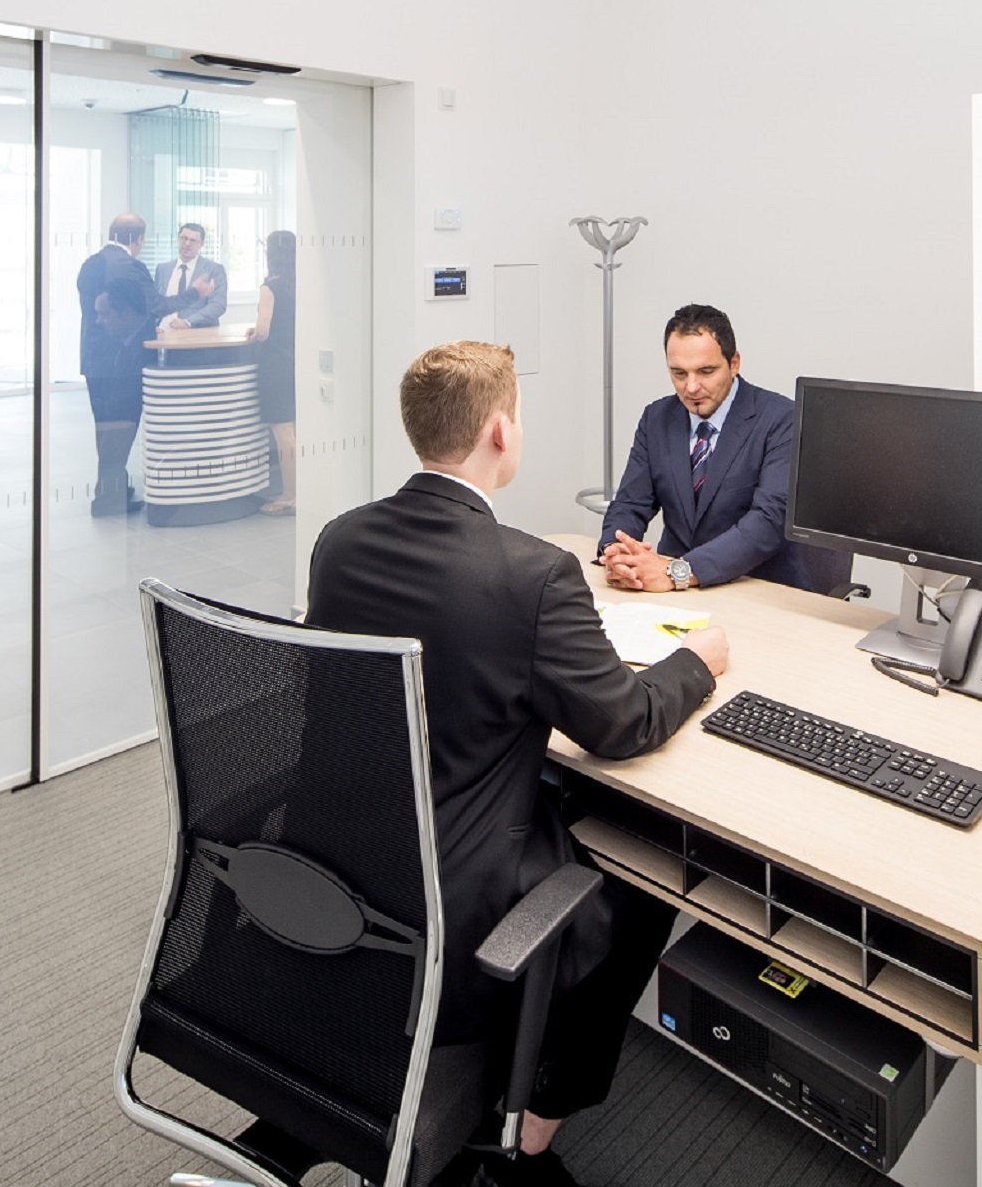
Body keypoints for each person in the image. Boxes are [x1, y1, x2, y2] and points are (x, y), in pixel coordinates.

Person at [306, 341, 728, 1187]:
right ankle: (527, 1139)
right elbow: (621, 723)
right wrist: (696, 663)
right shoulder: (532, 574)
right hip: (455, 911)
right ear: (501, 429)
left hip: (336, 869)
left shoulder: (339, 540)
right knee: (643, 883)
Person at [597, 303, 849, 595]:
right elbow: (630, 504)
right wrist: (617, 552)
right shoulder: (656, 418)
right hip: (673, 593)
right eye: (679, 373)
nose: (691, 387)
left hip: (757, 590)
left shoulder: (782, 420)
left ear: (734, 363)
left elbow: (767, 522)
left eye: (706, 371)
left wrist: (679, 572)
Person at [75, 212, 216, 516]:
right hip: (123, 362)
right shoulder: (131, 267)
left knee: (105, 428)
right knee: (121, 430)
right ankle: (108, 499)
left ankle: (111, 489)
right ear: (137, 239)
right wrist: (195, 292)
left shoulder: (89, 265)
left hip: (93, 359)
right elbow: (158, 305)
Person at [251, 229, 296, 516]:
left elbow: (263, 331)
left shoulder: (270, 287)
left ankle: (290, 495)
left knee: (284, 434)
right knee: (296, 432)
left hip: (275, 365)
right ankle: (299, 491)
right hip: (296, 363)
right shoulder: (300, 284)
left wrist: (254, 332)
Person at [152, 222, 228, 332]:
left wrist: (188, 322)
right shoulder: (163, 269)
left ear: (201, 244)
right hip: (163, 332)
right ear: (178, 240)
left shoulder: (214, 270)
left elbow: (218, 305)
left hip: (196, 333)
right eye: (183, 238)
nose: (187, 243)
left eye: (193, 240)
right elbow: (155, 303)